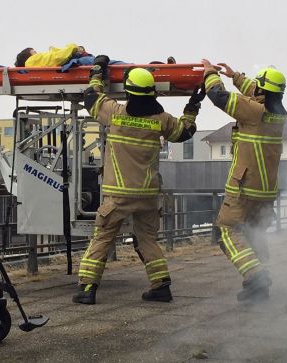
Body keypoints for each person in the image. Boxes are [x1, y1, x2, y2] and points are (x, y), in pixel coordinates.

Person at [72, 56, 205, 305]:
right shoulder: (161, 120)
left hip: (118, 194)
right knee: (147, 240)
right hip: (147, 195)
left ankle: (88, 288)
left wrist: (97, 72)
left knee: (102, 238)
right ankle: (161, 286)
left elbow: (90, 97)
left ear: (129, 91)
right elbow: (185, 131)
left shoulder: (115, 112)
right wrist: (193, 105)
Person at [201, 59, 287, 302]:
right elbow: (259, 92)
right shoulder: (277, 113)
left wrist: (210, 72)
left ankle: (256, 275)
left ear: (262, 90)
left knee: (225, 232)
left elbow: (217, 96)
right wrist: (235, 76)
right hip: (266, 190)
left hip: (245, 187)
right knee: (253, 235)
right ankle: (258, 288)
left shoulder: (253, 111)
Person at [14, 44, 84, 67]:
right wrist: (72, 47)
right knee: (70, 46)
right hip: (57, 58)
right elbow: (53, 58)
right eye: (32, 51)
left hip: (57, 59)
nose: (35, 51)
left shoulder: (32, 62)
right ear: (27, 54)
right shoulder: (30, 61)